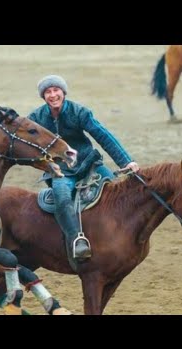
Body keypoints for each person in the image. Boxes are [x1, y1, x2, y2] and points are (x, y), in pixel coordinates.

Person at [29, 75, 139, 263]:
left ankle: (125, 235)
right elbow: (27, 145)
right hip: (61, 171)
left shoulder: (79, 112)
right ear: (43, 97)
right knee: (62, 197)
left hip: (89, 165)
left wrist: (125, 162)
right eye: (48, 92)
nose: (53, 95)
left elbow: (103, 136)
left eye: (56, 90)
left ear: (63, 92)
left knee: (117, 191)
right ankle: (77, 240)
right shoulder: (35, 119)